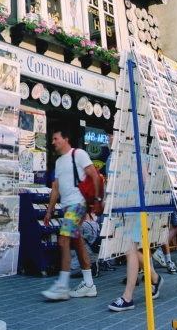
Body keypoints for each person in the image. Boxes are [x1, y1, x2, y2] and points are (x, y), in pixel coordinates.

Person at [41, 128, 103, 301]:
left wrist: (97, 200)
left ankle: (62, 285)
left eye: (56, 138)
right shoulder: (59, 162)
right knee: (78, 243)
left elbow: (94, 176)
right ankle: (89, 284)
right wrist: (49, 211)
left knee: (63, 241)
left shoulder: (79, 154)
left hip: (78, 204)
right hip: (68, 207)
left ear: (65, 139)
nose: (53, 142)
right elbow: (56, 188)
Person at [108, 156, 164, 311]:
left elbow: (145, 181)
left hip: (134, 209)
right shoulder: (119, 154)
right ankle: (154, 277)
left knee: (129, 249)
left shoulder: (134, 153)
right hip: (126, 208)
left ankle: (128, 297)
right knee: (131, 249)